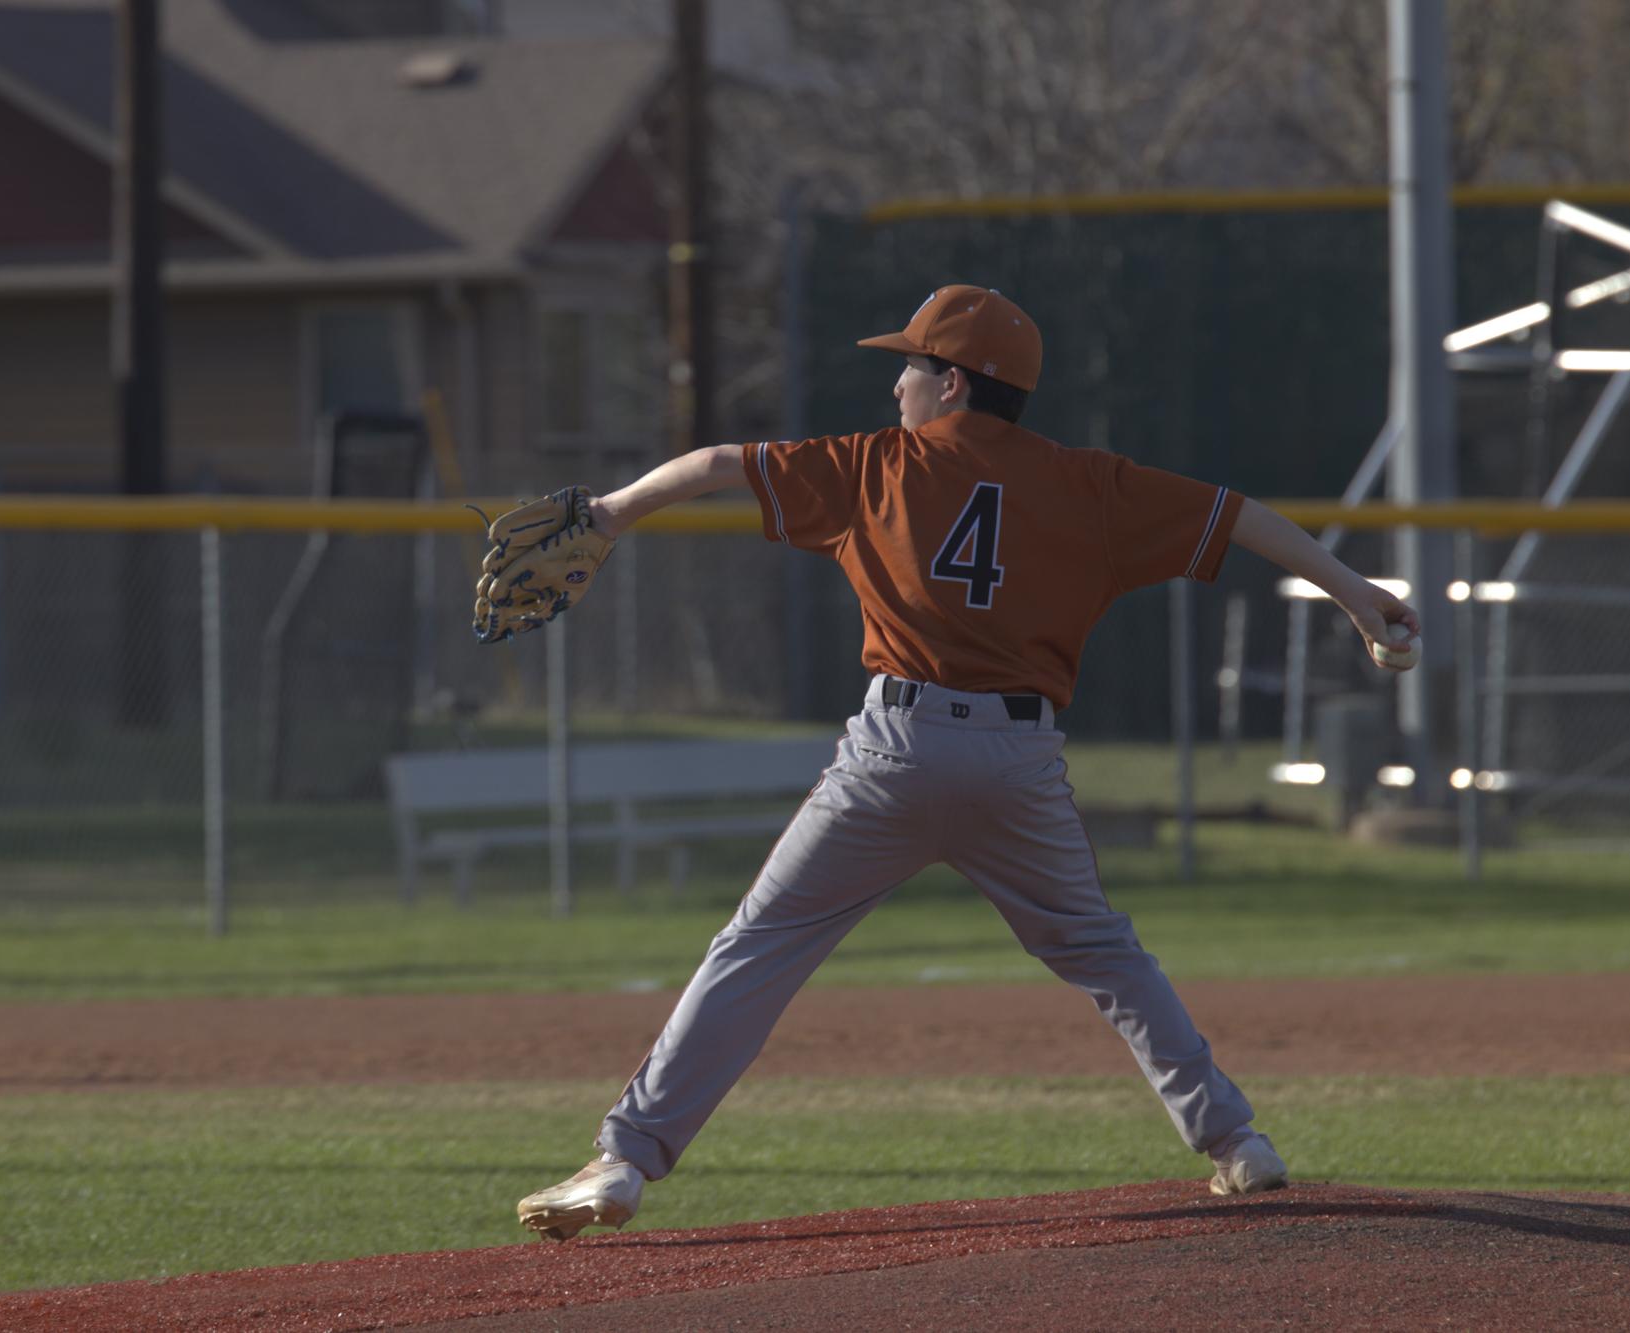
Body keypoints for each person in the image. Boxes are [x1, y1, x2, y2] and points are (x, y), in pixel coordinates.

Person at [514, 284, 1421, 1241]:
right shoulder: (1089, 482)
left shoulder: (870, 466)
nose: (897, 384)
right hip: (1017, 759)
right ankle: (1238, 1143)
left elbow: (711, 463)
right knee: (1103, 952)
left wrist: (610, 512)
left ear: (951, 383)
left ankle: (624, 1161)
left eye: (908, 366)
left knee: (760, 948)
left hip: (893, 753)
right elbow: (1239, 516)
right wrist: (1358, 594)